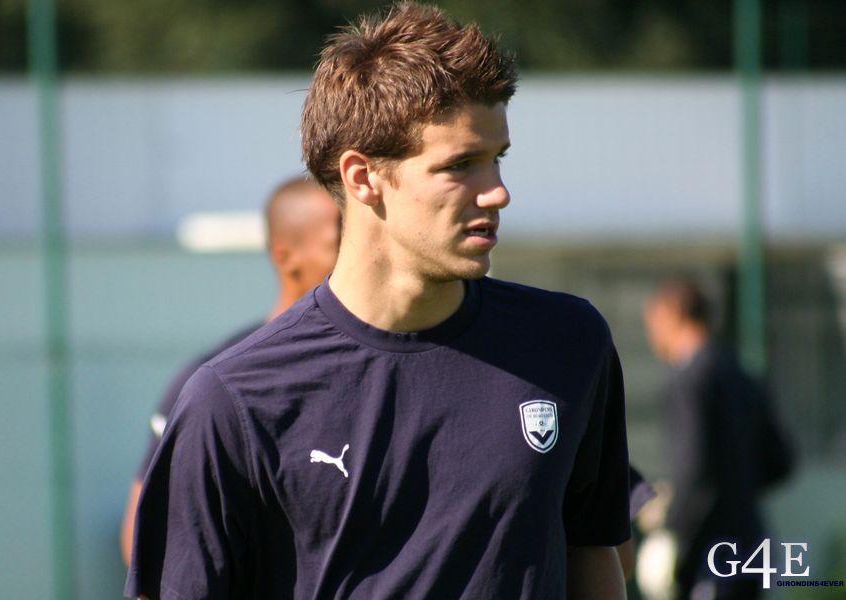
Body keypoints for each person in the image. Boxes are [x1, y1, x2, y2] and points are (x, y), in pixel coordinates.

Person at [125, 3, 631, 598]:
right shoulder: (234, 402)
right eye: (460, 165)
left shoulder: (568, 343)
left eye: (498, 159)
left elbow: (591, 552)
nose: (497, 192)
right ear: (363, 177)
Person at [119, 176, 340, 565]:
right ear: (285, 255)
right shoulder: (218, 381)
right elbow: (144, 541)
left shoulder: (380, 361)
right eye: (340, 243)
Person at [643, 278, 794, 599]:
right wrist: (734, 491)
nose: (652, 333)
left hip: (708, 553)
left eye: (654, 321)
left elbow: (694, 470)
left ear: (674, 313)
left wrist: (673, 528)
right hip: (751, 542)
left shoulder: (688, 379)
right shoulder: (741, 372)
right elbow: (780, 462)